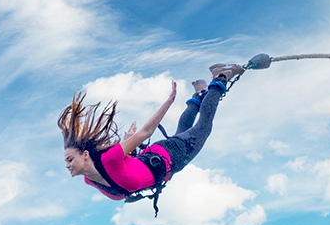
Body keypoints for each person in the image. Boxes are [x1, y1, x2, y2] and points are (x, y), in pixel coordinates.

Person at [58, 63, 245, 206]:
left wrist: (169, 101)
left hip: (170, 156)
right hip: (161, 160)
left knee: (204, 127)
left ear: (84, 154)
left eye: (69, 159)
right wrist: (127, 147)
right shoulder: (90, 180)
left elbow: (146, 131)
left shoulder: (110, 159)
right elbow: (127, 174)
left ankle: (221, 75)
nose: (67, 165)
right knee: (184, 131)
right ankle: (200, 95)